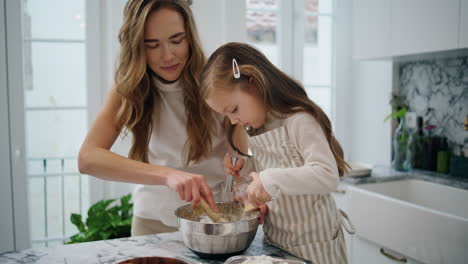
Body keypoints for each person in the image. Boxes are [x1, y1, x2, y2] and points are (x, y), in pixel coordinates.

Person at [78, 0, 243, 236]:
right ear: (137, 47)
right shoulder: (128, 88)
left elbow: (240, 154)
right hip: (151, 222)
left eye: (177, 40)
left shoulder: (216, 79)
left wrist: (239, 161)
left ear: (190, 37)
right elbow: (87, 158)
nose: (167, 56)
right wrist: (168, 175)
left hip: (213, 221)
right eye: (152, 45)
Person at [200, 42, 355, 264]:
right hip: (279, 243)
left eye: (234, 109)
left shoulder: (299, 120)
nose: (233, 120)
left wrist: (267, 179)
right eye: (227, 115)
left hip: (315, 245)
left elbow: (326, 175)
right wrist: (249, 167)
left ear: (254, 84)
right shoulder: (257, 126)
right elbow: (280, 167)